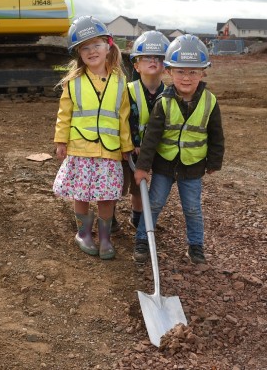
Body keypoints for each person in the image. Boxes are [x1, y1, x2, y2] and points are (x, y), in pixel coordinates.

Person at [132, 34, 225, 265]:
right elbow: (151, 137)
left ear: (203, 73)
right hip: (164, 165)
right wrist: (143, 167)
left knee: (192, 209)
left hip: (192, 167)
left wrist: (214, 162)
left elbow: (216, 135)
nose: (186, 77)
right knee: (153, 204)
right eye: (180, 71)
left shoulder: (210, 102)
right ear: (169, 72)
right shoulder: (164, 102)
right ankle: (142, 240)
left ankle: (196, 246)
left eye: (193, 72)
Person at [53, 16, 134, 260]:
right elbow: (64, 114)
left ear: (109, 46)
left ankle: (106, 238)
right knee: (82, 193)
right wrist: (61, 141)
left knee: (107, 195)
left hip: (109, 151)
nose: (91, 51)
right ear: (78, 53)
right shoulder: (73, 82)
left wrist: (126, 147)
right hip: (80, 149)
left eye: (96, 45)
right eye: (85, 47)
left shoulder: (120, 81)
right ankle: (84, 234)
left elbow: (123, 117)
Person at [118, 30, 171, 232]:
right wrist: (132, 144)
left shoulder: (168, 94)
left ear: (165, 65)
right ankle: (110, 217)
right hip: (128, 148)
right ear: (136, 65)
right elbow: (123, 120)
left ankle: (138, 217)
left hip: (153, 151)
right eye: (147, 57)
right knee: (120, 185)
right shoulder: (128, 90)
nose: (153, 61)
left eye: (158, 58)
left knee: (141, 187)